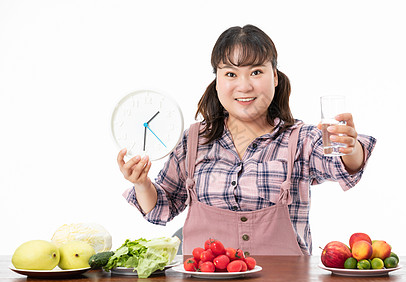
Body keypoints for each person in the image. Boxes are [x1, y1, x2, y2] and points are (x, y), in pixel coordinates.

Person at [117, 24, 376, 256]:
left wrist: (349, 147)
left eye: (255, 72)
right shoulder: (193, 141)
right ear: (217, 82)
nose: (244, 86)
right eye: (230, 74)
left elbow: (345, 167)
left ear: (274, 77)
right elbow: (162, 207)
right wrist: (141, 183)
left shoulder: (301, 140)